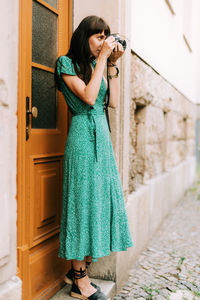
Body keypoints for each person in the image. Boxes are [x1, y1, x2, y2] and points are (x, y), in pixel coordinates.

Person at [55, 15, 133, 300]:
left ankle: (80, 267)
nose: (103, 41)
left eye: (106, 36)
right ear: (84, 37)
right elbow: (88, 98)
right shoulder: (67, 64)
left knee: (98, 202)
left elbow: (110, 103)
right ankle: (79, 282)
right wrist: (102, 59)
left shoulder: (95, 64)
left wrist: (111, 64)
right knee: (81, 204)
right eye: (98, 36)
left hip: (101, 135)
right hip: (82, 138)